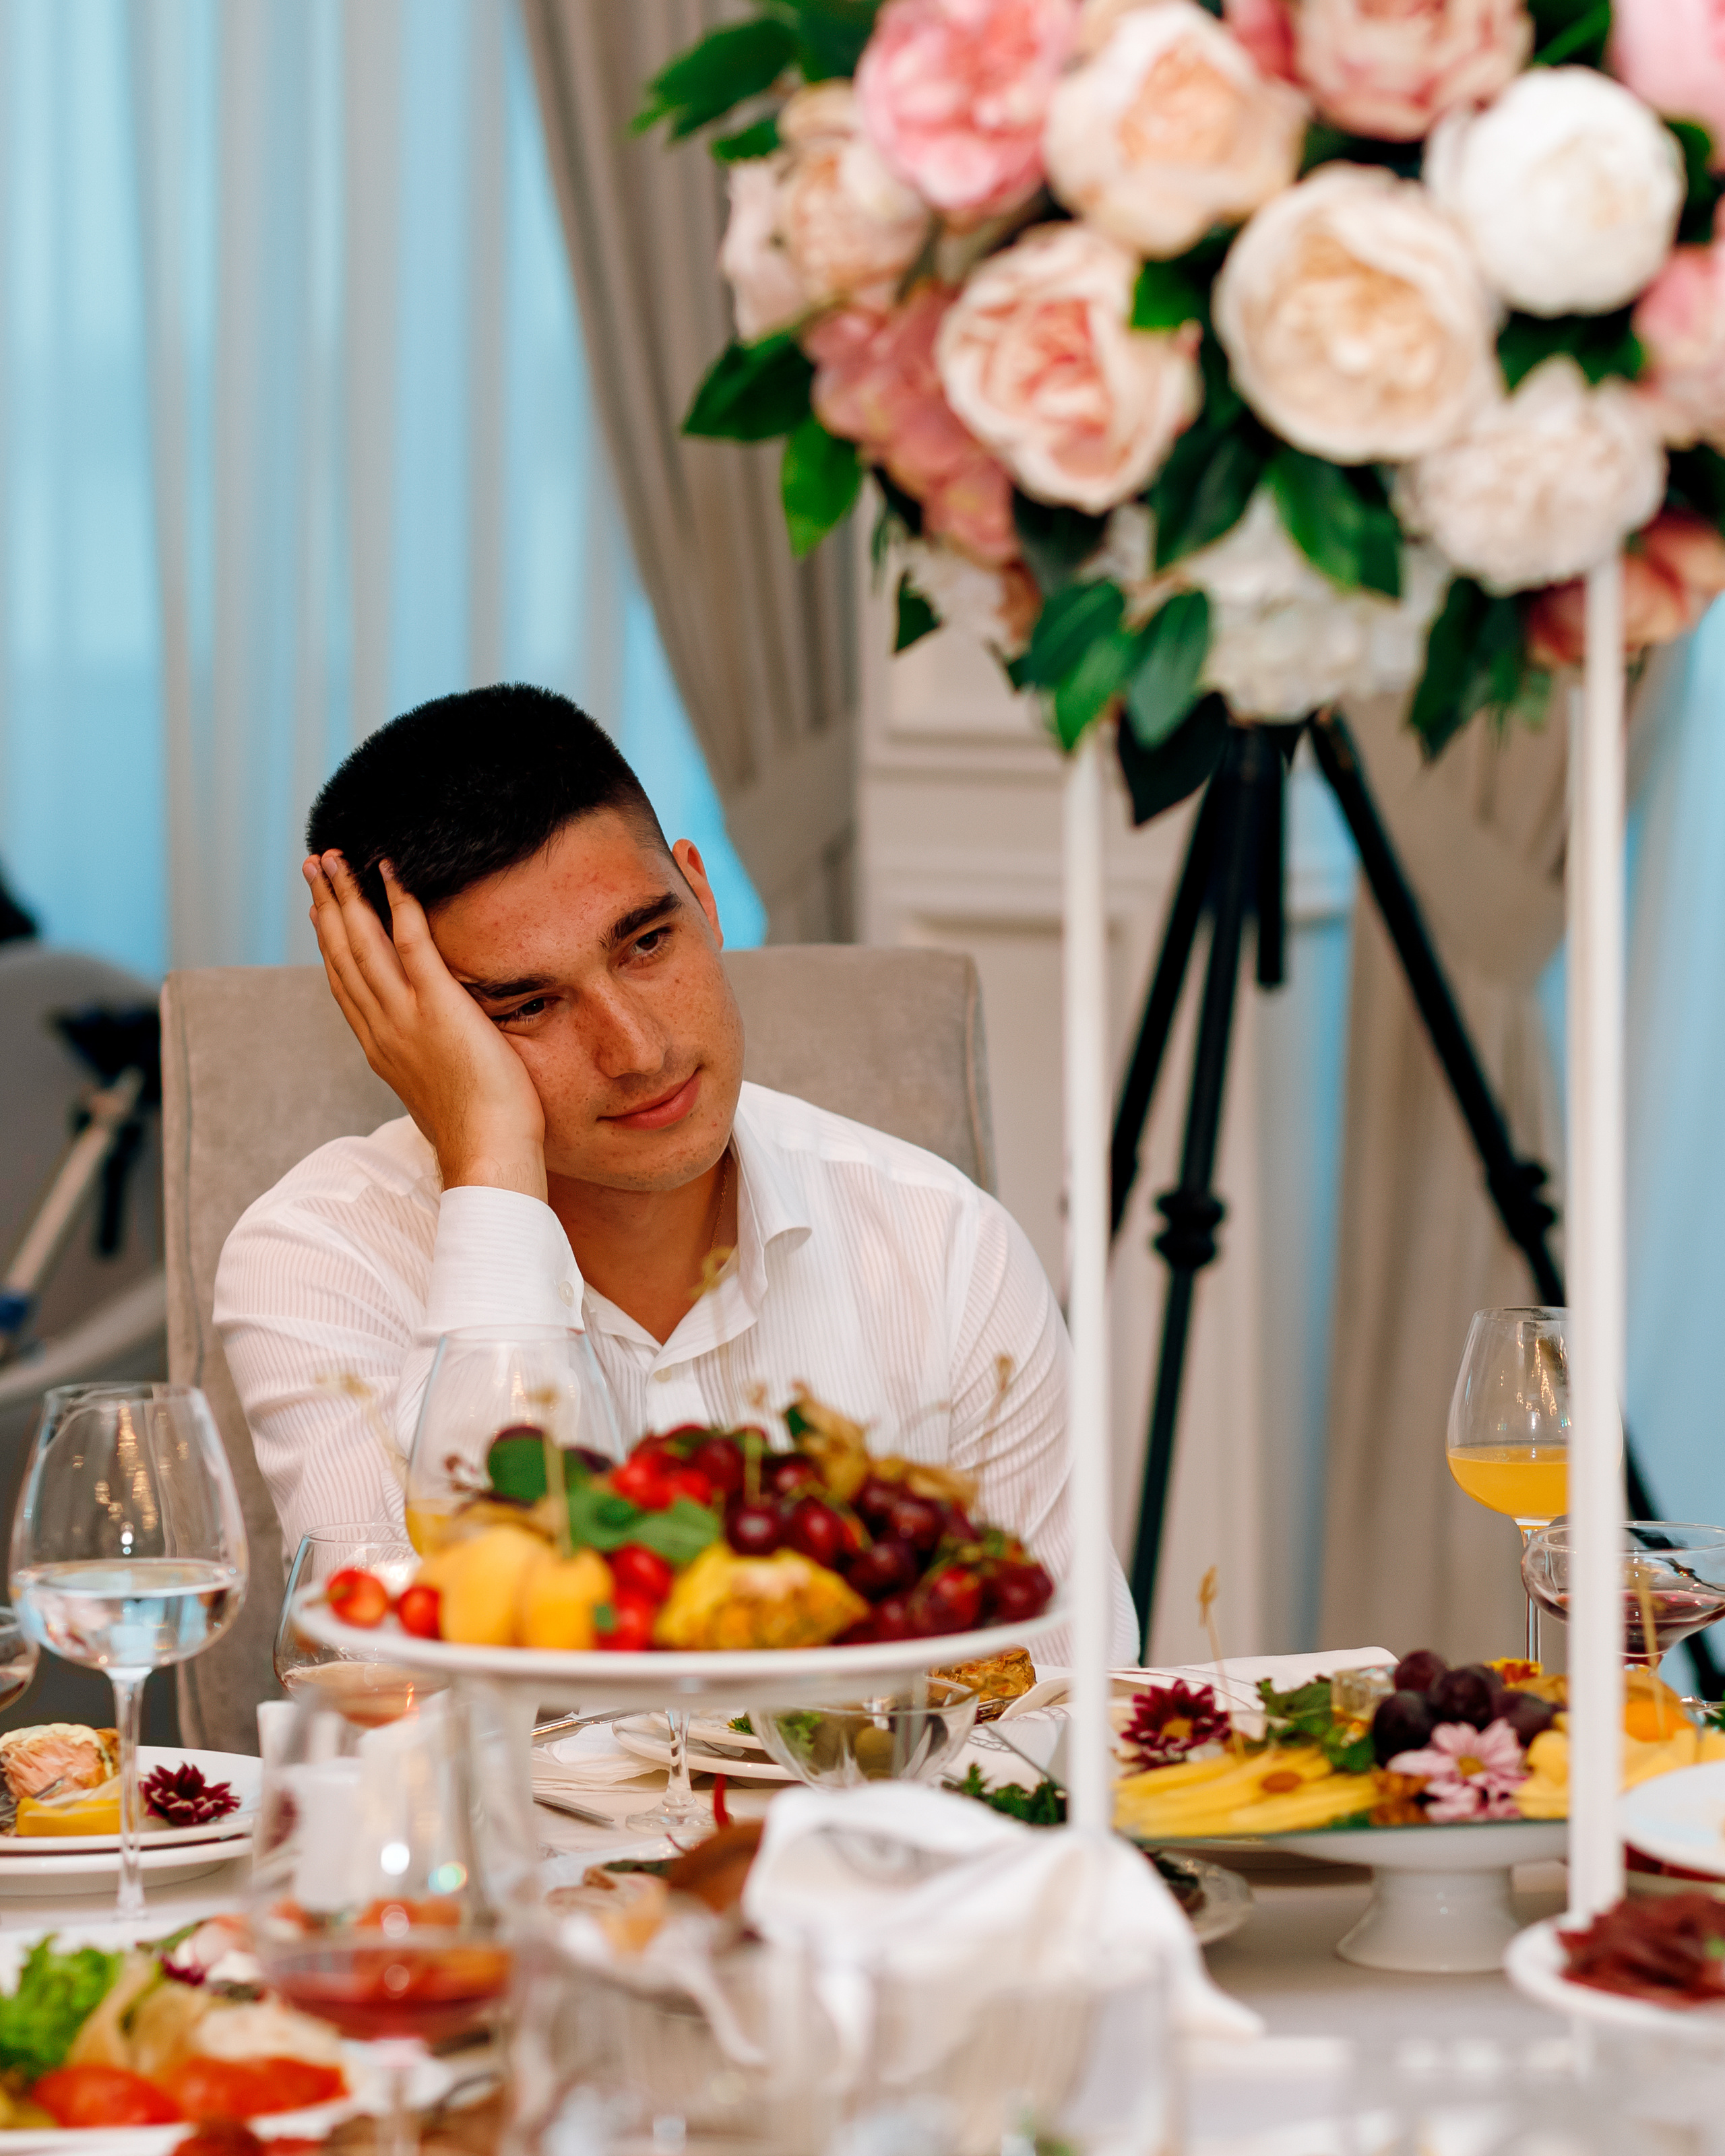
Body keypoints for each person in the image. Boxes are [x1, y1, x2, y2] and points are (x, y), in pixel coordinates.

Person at [214, 684, 1138, 1659]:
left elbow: (1073, 1696)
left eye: (648, 943)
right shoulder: (314, 1259)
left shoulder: (942, 1241)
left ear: (701, 892)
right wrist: (490, 1161)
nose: (637, 1048)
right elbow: (407, 1707)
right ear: (415, 1031)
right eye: (527, 1006)